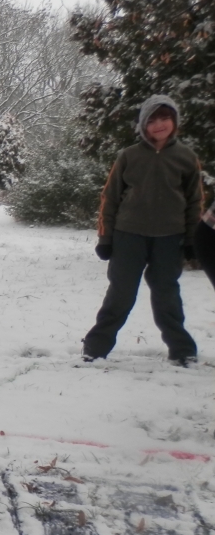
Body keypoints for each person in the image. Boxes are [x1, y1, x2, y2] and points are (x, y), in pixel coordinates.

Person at [82, 95, 205, 366]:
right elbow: (110, 198)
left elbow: (194, 201)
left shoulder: (186, 157)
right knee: (120, 294)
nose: (159, 125)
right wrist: (106, 238)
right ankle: (96, 346)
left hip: (169, 238)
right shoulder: (129, 156)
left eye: (165, 118)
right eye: (152, 120)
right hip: (129, 236)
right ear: (143, 125)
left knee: (167, 296)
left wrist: (191, 239)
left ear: (174, 121)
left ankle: (182, 350)